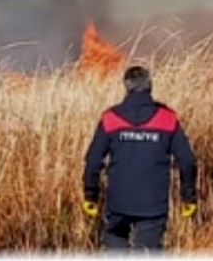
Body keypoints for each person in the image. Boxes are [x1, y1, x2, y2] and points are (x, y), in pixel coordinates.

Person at [82, 65, 198, 251]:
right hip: (153, 206)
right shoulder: (167, 118)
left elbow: (93, 160)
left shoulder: (110, 118)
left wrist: (90, 196)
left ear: (126, 86)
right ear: (149, 85)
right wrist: (189, 198)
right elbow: (187, 161)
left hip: (117, 204)